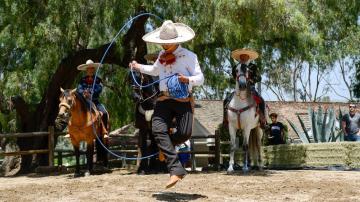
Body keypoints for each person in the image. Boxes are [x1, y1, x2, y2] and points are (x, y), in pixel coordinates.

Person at [129, 20, 204, 188]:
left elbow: (200, 78)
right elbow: (154, 70)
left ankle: (167, 148)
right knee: (157, 129)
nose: (163, 46)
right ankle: (176, 170)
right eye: (162, 43)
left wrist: (188, 79)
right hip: (163, 100)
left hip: (183, 100)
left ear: (176, 40)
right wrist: (137, 67)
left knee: (184, 134)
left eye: (166, 42)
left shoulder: (190, 57)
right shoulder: (161, 57)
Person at [223, 48, 266, 128]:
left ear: (248, 57)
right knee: (226, 100)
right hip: (238, 89)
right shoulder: (236, 67)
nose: (243, 58)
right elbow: (233, 77)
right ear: (240, 58)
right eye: (242, 57)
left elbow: (259, 78)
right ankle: (225, 121)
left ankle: (263, 121)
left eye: (245, 56)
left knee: (261, 100)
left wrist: (251, 80)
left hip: (251, 88)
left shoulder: (253, 67)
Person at [76, 59, 109, 130]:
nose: (90, 70)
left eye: (91, 68)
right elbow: (79, 89)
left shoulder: (98, 80)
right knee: (73, 110)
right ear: (86, 70)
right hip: (83, 101)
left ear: (94, 69)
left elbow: (99, 89)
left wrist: (90, 93)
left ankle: (104, 131)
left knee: (104, 113)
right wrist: (83, 93)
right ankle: (72, 130)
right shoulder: (82, 80)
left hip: (94, 101)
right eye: (88, 69)